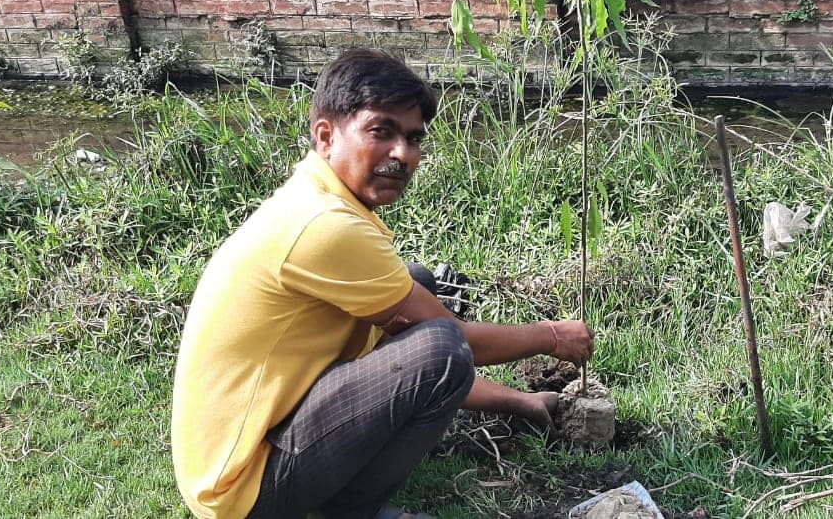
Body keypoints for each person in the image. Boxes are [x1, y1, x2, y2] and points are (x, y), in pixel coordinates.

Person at [170, 48, 594, 519]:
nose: (402, 154)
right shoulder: (324, 226)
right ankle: (348, 512)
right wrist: (552, 336)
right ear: (326, 136)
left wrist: (519, 401)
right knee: (441, 344)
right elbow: (455, 349)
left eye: (413, 138)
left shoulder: (317, 198)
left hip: (242, 452)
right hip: (241, 492)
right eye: (381, 131)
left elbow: (416, 355)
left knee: (416, 286)